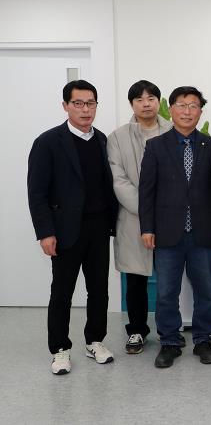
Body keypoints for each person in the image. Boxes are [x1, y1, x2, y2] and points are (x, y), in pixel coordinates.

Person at [27, 79, 118, 375]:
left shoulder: (102, 140)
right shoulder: (48, 142)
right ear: (65, 106)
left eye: (90, 103)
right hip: (65, 230)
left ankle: (95, 341)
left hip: (99, 227)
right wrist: (45, 232)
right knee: (62, 292)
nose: (85, 109)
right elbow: (37, 193)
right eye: (78, 103)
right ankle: (60, 349)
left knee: (99, 290)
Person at [139, 86, 211, 368]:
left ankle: (203, 339)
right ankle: (170, 342)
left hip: (204, 231)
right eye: (181, 105)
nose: (187, 111)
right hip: (166, 232)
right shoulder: (156, 146)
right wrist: (147, 228)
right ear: (171, 109)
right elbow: (147, 191)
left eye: (194, 106)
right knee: (166, 292)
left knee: (205, 290)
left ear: (200, 111)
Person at [107, 80, 172, 354]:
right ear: (132, 104)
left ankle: (170, 332)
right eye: (139, 99)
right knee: (135, 280)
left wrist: (164, 209)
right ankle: (136, 330)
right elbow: (118, 179)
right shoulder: (117, 137)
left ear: (158, 101)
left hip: (169, 218)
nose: (146, 104)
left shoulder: (172, 131)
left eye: (151, 98)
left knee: (170, 279)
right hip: (133, 218)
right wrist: (146, 210)